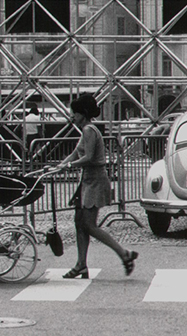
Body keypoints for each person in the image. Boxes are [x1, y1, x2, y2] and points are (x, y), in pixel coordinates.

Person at [39, 93, 137, 279]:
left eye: (75, 114)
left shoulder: (89, 130)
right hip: (87, 180)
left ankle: (123, 254)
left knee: (89, 225)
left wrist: (67, 166)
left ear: (82, 114)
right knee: (79, 223)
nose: (72, 117)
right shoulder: (86, 130)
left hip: (96, 180)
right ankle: (81, 265)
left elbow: (88, 157)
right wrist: (58, 167)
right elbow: (76, 154)